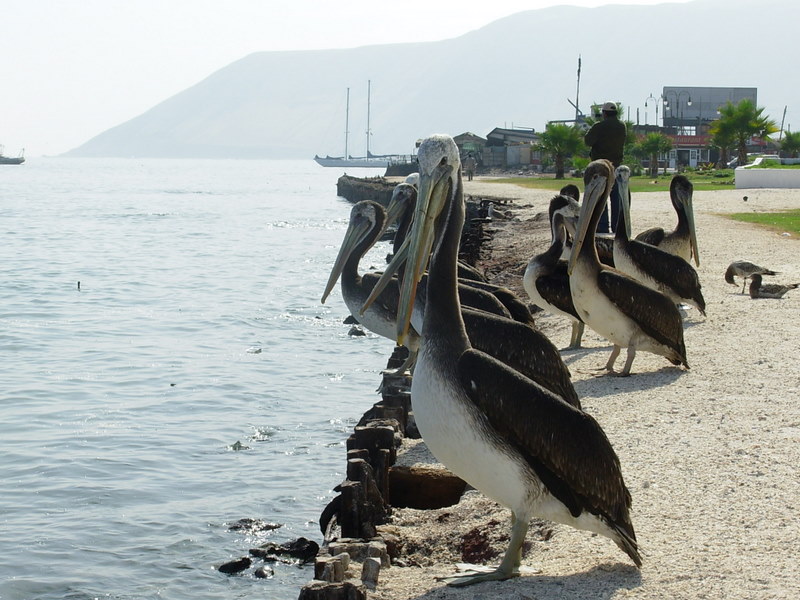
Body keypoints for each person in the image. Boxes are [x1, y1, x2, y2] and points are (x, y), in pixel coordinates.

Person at [584, 102, 627, 233]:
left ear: (604, 113)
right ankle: (616, 228)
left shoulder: (599, 126)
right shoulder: (622, 126)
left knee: (601, 198)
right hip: (616, 167)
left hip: (600, 168)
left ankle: (602, 227)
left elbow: (587, 141)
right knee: (616, 200)